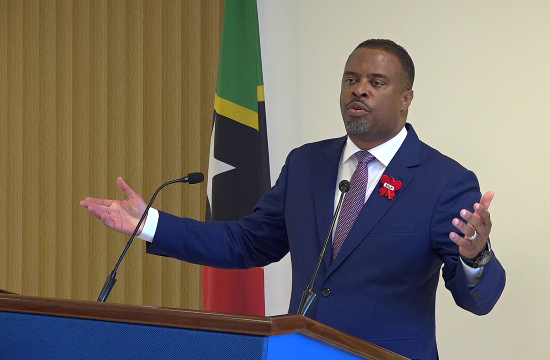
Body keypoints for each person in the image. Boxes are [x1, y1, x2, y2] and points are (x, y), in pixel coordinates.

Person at [81, 39, 506, 360]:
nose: (359, 90)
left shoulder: (444, 181)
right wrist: (151, 223)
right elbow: (247, 242)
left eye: (376, 82)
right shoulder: (307, 164)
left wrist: (476, 256)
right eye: (351, 79)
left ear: (406, 99)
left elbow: (478, 300)